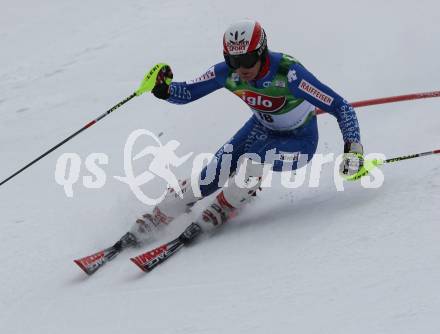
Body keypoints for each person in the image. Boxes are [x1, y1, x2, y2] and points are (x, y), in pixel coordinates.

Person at [129, 19, 364, 244]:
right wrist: (164, 90)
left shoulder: (289, 74)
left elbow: (340, 106)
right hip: (260, 130)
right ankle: (162, 214)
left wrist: (353, 148)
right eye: (233, 60)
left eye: (248, 59)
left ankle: (227, 202)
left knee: (253, 164)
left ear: (262, 52)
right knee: (207, 179)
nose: (241, 69)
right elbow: (189, 92)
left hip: (299, 142)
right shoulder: (227, 73)